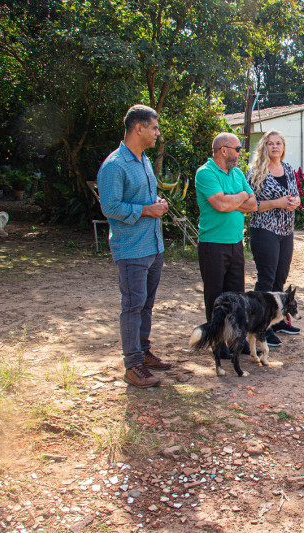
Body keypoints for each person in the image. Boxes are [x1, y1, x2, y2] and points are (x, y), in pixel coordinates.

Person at [98, 104, 171, 388]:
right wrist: (146, 210)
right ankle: (133, 365)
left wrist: (157, 205)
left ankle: (143, 350)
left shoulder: (144, 160)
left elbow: (146, 199)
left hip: (153, 246)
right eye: (154, 127)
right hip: (130, 249)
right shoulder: (115, 165)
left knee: (146, 304)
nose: (157, 133)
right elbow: (110, 207)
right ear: (138, 128)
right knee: (132, 306)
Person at [195, 132, 257, 359]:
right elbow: (220, 204)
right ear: (223, 150)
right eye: (237, 148)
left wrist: (235, 199)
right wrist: (241, 195)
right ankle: (217, 343)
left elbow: (253, 205)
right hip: (212, 245)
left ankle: (235, 341)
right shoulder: (205, 173)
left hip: (235, 244)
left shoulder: (237, 173)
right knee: (215, 297)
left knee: (236, 297)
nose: (240, 153)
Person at [246, 130, 301, 347]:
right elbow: (249, 205)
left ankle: (276, 321)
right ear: (264, 147)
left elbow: (295, 194)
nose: (275, 147)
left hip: (286, 230)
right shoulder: (255, 171)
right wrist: (277, 203)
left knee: (280, 278)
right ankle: (261, 327)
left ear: (283, 147)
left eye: (279, 143)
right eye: (270, 143)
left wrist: (294, 201)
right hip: (264, 228)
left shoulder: (287, 168)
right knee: (266, 279)